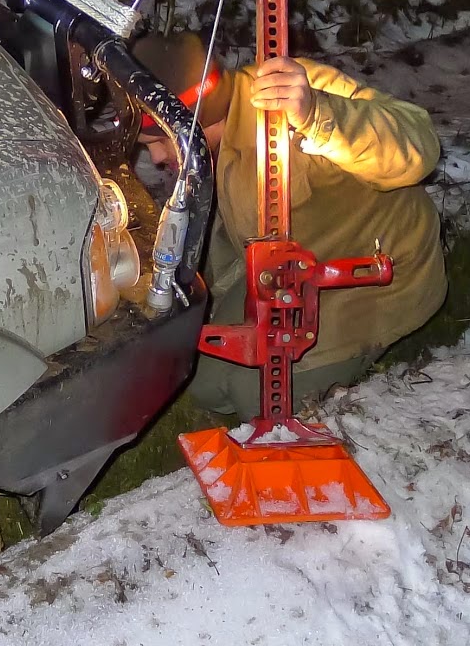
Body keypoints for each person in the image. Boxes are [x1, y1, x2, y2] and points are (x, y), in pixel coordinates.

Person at [133, 34, 448, 414]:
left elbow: (418, 144)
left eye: (160, 139)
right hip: (287, 278)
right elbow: (228, 236)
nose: (155, 156)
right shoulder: (211, 151)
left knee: (259, 398)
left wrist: (318, 115)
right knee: (202, 379)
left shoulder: (291, 92)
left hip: (371, 276)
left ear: (196, 114)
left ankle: (355, 382)